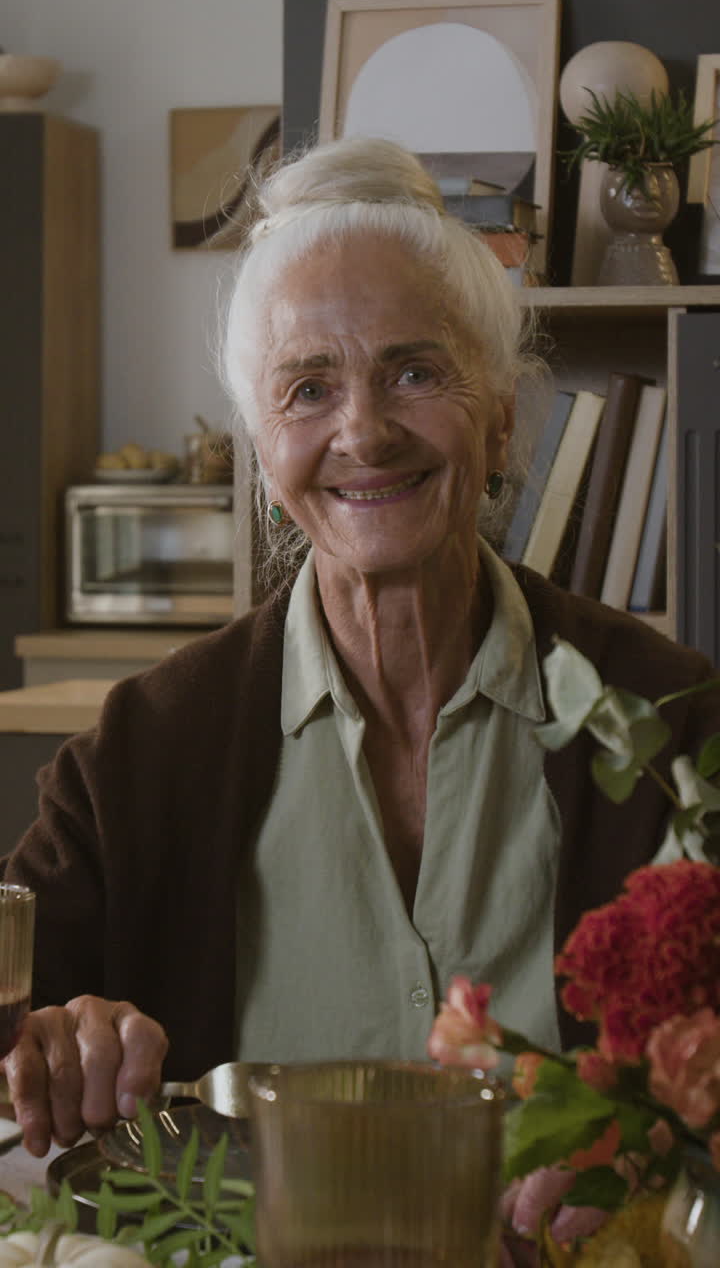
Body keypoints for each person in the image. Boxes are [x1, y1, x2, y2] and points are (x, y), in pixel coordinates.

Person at [2, 137, 719, 1159]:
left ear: (505, 414)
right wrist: (56, 1041)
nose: (365, 431)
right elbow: (14, 1021)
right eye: (307, 389)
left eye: (414, 370)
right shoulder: (142, 753)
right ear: (263, 449)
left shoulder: (670, 722)